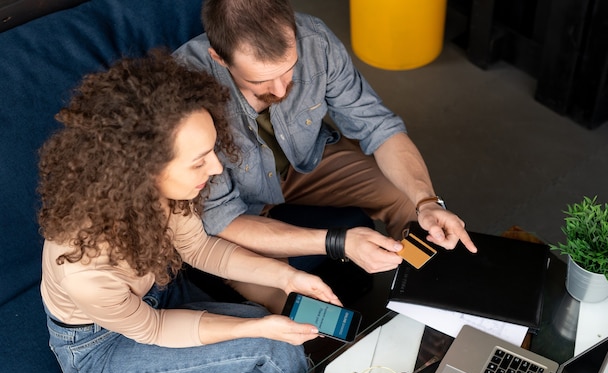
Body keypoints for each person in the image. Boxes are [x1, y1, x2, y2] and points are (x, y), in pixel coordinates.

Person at [37, 49, 342, 373]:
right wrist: (258, 326)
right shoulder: (85, 270)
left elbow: (200, 249)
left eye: (212, 150)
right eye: (199, 160)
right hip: (98, 347)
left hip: (152, 300)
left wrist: (289, 278)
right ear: (142, 171)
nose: (215, 168)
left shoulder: (165, 194)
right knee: (273, 347)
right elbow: (154, 329)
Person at [173, 0, 477, 277]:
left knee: (408, 201)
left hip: (307, 161)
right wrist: (337, 242)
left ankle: (431, 305)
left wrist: (427, 200)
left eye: (289, 70)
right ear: (219, 58)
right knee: (279, 291)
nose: (280, 91)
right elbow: (222, 217)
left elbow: (378, 127)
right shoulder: (182, 84)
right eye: (260, 80)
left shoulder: (315, 41)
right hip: (238, 200)